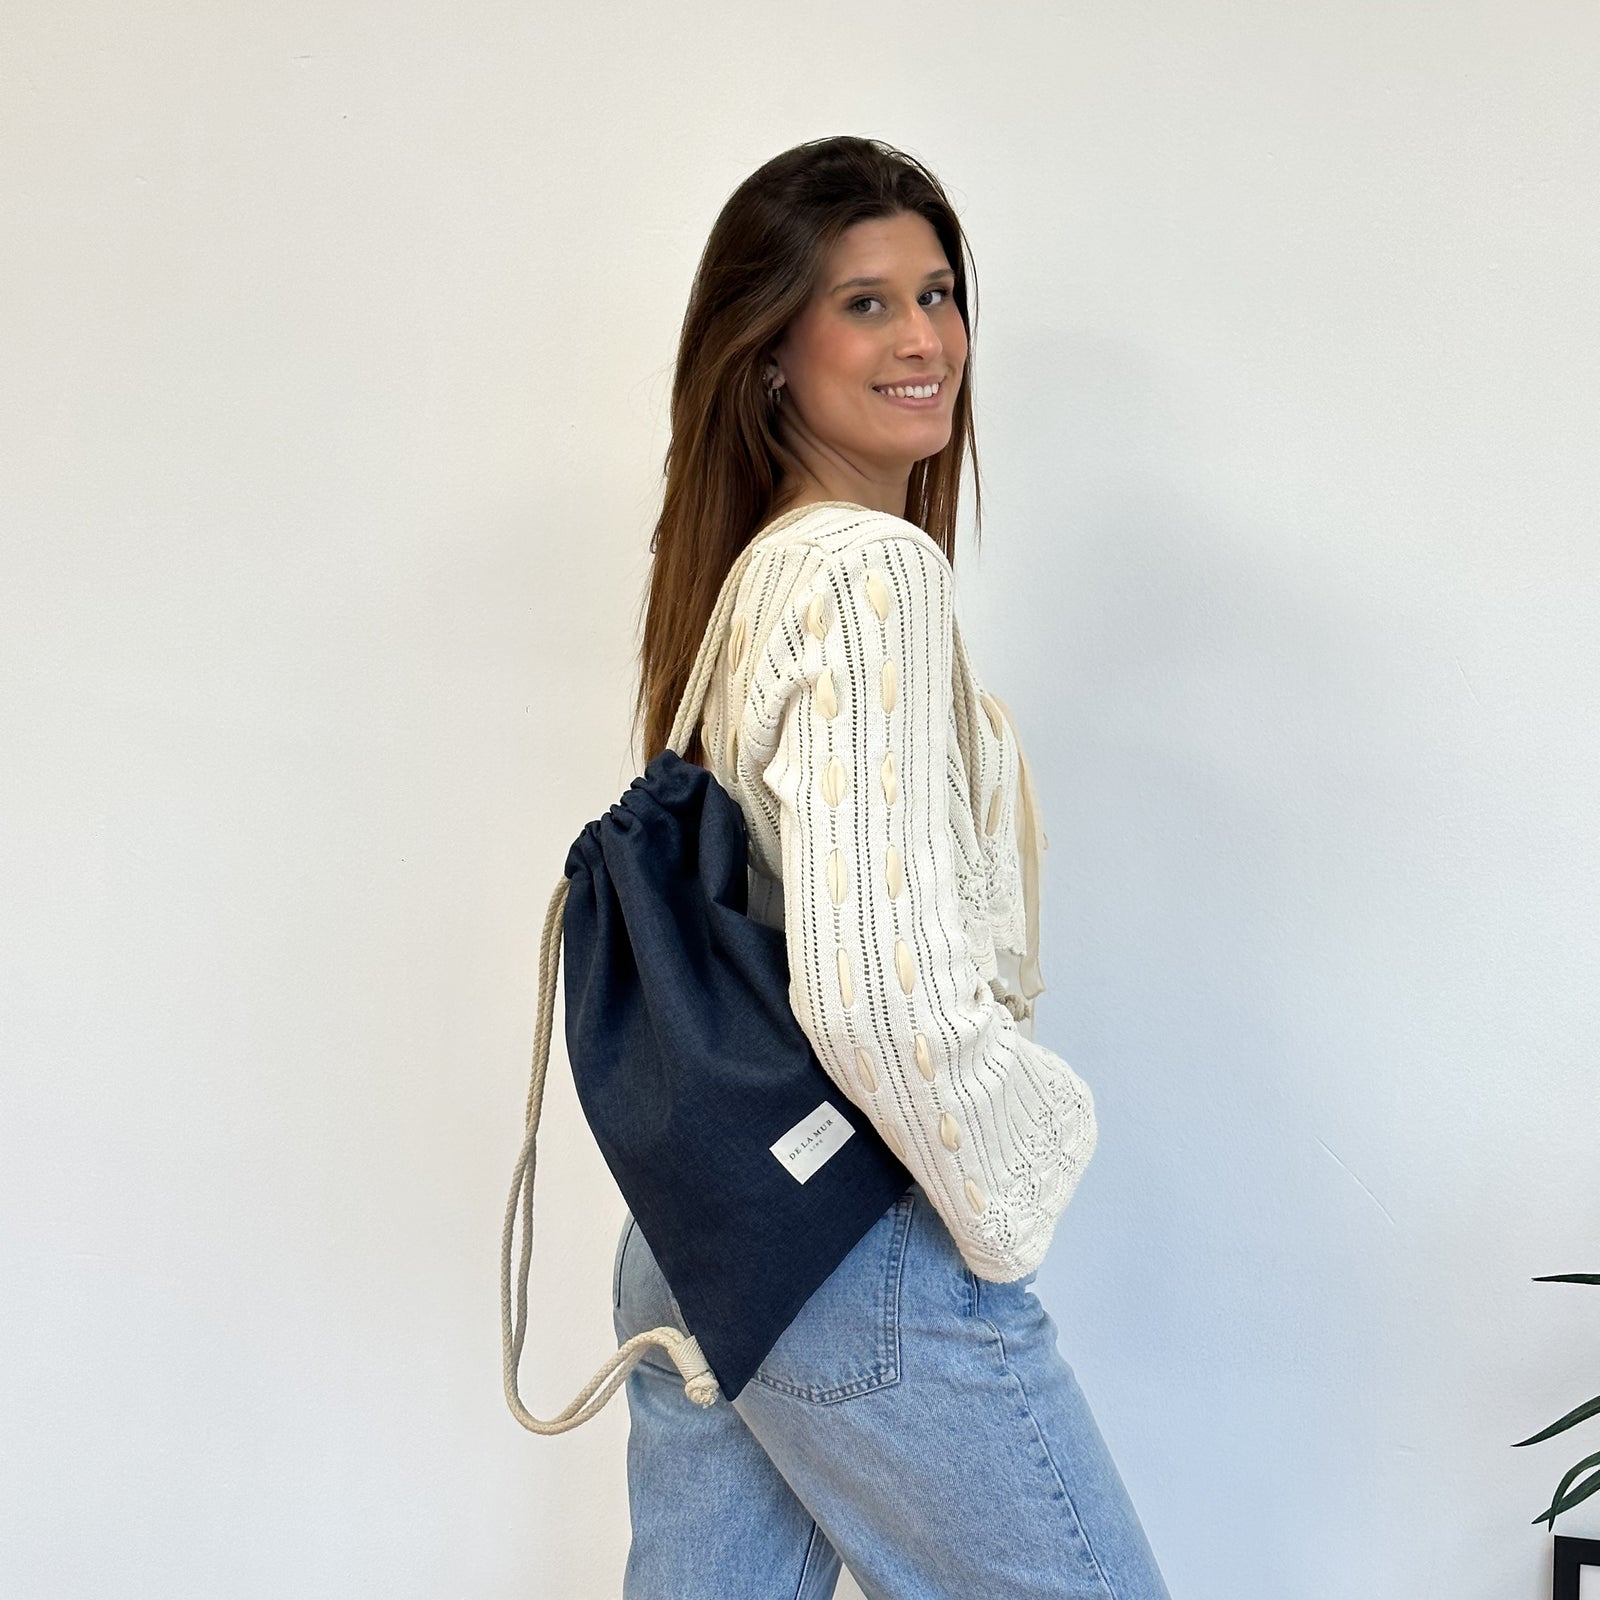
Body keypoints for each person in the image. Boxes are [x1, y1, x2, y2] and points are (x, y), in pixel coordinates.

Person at [613, 135, 1171, 1600]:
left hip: (701, 1231)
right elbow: (875, 996)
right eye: (865, 304)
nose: (924, 339)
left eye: (937, 294)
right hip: (846, 1243)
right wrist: (1011, 1186)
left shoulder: (748, 577)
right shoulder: (870, 574)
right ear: (770, 354)